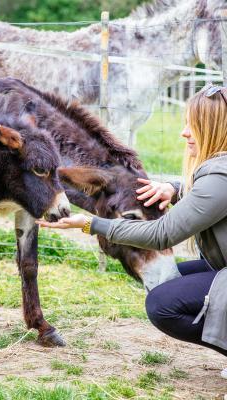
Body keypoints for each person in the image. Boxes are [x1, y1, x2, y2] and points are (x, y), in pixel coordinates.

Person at [37, 85, 227, 377]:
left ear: (214, 129)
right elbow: (207, 193)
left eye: (193, 125)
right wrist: (174, 189)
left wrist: (91, 224)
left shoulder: (220, 177)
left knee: (162, 304)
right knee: (174, 282)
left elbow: (163, 234)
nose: (185, 133)